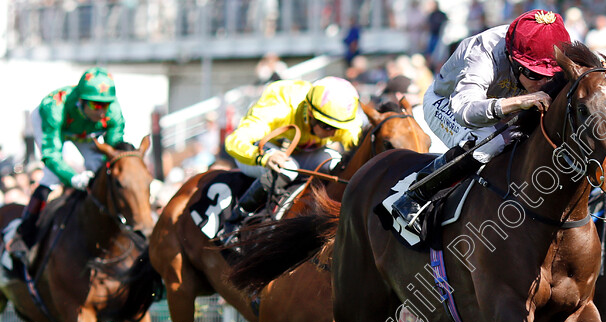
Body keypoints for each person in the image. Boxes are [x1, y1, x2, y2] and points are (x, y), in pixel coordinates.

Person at [391, 9, 571, 234]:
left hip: (502, 106)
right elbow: (464, 111)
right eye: (534, 74)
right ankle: (415, 195)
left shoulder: (560, 47)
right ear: (513, 59)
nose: (543, 83)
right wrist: (520, 102)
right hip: (448, 103)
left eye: (551, 75)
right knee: (489, 142)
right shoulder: (484, 50)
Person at [221, 76, 363, 239]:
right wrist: (265, 158)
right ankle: (235, 223)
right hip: (261, 149)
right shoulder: (281, 107)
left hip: (298, 154)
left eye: (339, 128)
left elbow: (360, 147)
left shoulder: (342, 118)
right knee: (288, 169)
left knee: (334, 162)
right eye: (328, 126)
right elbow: (233, 141)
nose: (333, 133)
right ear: (309, 113)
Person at [6, 67, 125, 261]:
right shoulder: (54, 108)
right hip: (56, 125)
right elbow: (51, 155)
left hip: (84, 130)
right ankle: (23, 234)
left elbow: (114, 154)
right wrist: (73, 178)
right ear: (82, 100)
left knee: (99, 168)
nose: (102, 111)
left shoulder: (114, 113)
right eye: (96, 105)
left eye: (106, 105)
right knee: (52, 176)